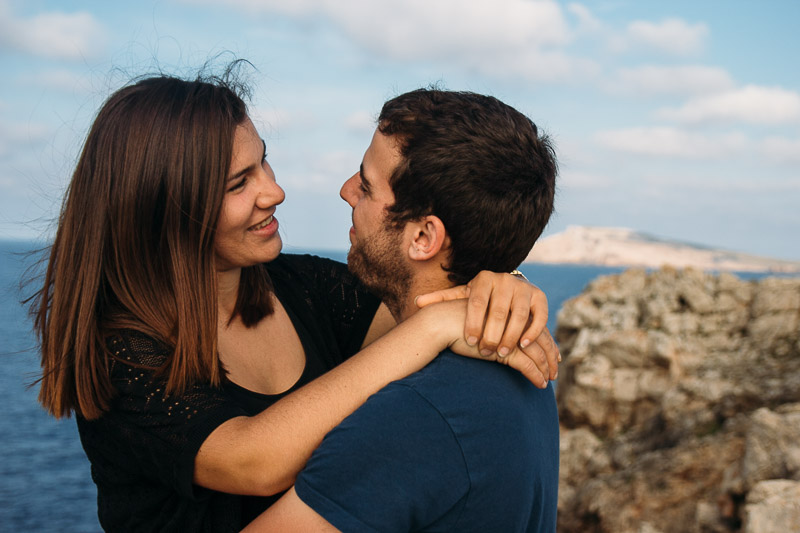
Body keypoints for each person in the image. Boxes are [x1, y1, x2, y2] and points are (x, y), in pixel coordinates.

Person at [30, 69, 559, 532]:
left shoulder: (302, 285)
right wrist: (434, 328)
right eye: (240, 183)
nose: (274, 191)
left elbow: (422, 291)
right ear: (166, 209)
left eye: (265, 163)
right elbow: (252, 461)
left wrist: (501, 282)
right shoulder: (119, 349)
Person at [244, 88, 560, 532]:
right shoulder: (519, 356)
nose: (345, 191)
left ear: (422, 238)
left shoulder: (412, 419)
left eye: (366, 184)